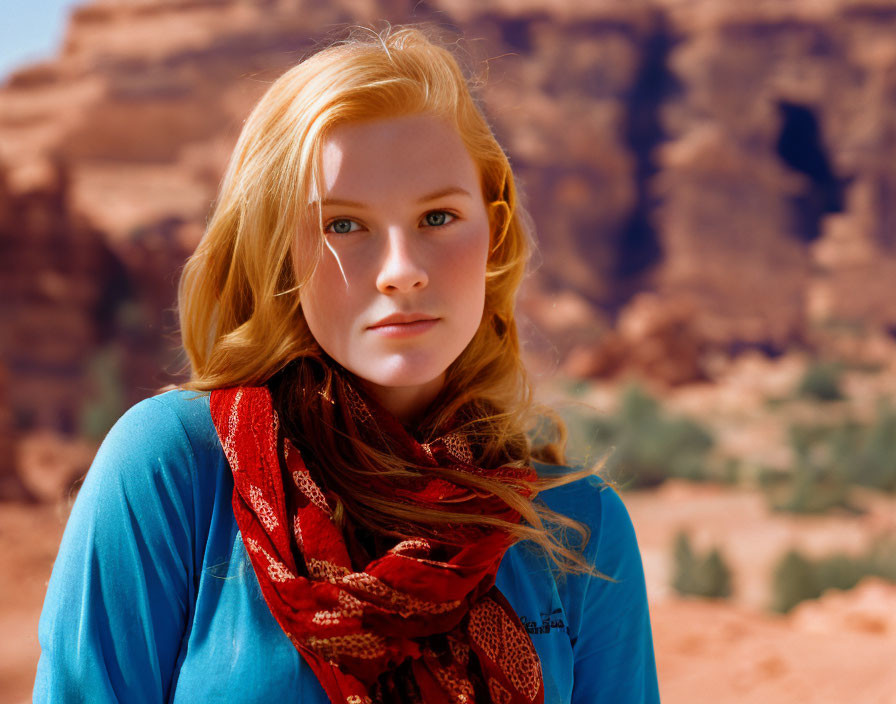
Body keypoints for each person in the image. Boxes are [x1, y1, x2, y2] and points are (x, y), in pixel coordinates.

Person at [34, 25, 660, 704]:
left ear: (495, 233)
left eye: (439, 217)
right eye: (342, 225)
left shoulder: (577, 526)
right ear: (277, 255)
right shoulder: (179, 468)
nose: (402, 271)